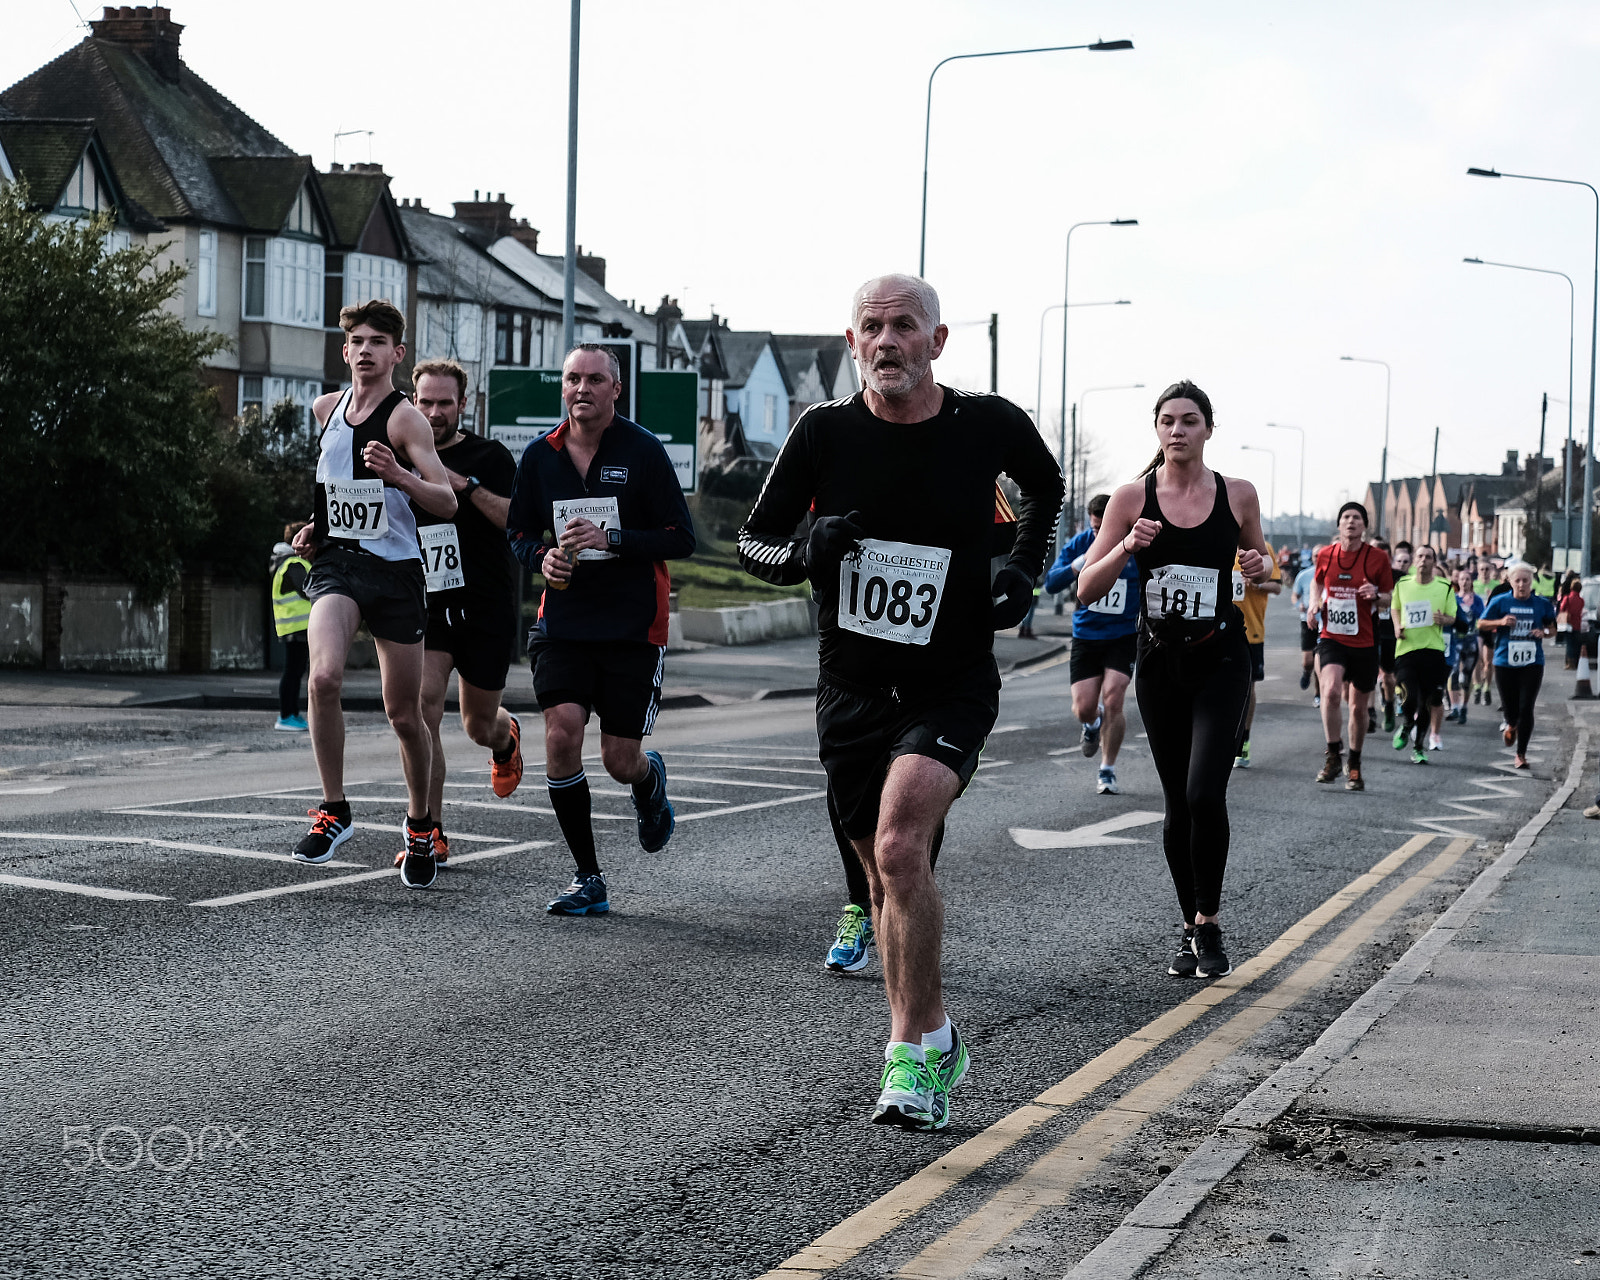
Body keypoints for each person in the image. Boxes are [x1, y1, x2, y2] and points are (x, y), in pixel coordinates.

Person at [737, 273, 1063, 1131]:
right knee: (884, 878)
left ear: (937, 340)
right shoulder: (822, 432)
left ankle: (906, 1056)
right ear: (852, 343)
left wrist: (1022, 569)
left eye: (904, 327)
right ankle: (937, 1033)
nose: (888, 342)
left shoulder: (988, 424)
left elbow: (1046, 492)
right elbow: (752, 543)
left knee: (899, 842)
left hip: (949, 680)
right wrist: (811, 545)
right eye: (871, 328)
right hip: (849, 688)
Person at [1078, 381, 1271, 981]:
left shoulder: (1237, 495)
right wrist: (1127, 547)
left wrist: (1264, 568)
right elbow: (1088, 586)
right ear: (1156, 430)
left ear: (1208, 429)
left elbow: (1263, 575)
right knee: (1175, 805)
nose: (1178, 430)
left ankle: (1209, 922)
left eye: (1190, 420)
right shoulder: (1132, 499)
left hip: (1221, 657)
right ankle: (1188, 925)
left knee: (1203, 795)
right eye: (1168, 421)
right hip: (1160, 662)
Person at [506, 344, 695, 916]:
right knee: (561, 735)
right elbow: (517, 534)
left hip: (632, 628)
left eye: (594, 379)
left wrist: (612, 539)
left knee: (618, 759)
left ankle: (647, 779)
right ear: (562, 388)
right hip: (563, 624)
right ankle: (588, 876)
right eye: (572, 379)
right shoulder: (540, 457)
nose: (581, 388)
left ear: (616, 389)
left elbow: (680, 537)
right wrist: (541, 557)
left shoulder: (643, 452)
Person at [289, 300, 457, 888]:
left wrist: (400, 476)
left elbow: (446, 501)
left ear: (397, 354)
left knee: (404, 715)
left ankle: (419, 823)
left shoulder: (405, 419)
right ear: (344, 350)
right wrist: (317, 529)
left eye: (378, 342)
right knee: (324, 678)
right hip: (340, 565)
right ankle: (334, 809)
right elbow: (332, 490)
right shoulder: (325, 410)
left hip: (396, 574)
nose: (366, 350)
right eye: (357, 341)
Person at [398, 359, 524, 871]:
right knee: (422, 709)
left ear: (463, 405)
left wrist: (460, 483)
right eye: (424, 402)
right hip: (428, 605)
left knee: (476, 725)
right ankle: (430, 829)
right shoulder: (398, 456)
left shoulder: (489, 456)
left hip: (486, 608)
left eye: (443, 403)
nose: (433, 413)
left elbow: (515, 519)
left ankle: (506, 736)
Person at [1044, 492, 1140, 794]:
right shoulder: (1082, 543)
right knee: (1085, 707)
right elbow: (1051, 583)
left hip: (1123, 634)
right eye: (1095, 527)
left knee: (1114, 697)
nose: (1099, 533)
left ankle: (1107, 768)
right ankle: (1092, 722)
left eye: (1104, 527)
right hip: (1087, 634)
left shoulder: (1135, 544)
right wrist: (1079, 564)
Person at [1304, 503, 1393, 791]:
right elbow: (1317, 583)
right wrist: (1313, 605)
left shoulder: (1378, 557)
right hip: (1333, 637)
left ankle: (1354, 763)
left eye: (1356, 518)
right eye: (1346, 517)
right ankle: (1333, 753)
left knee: (1358, 709)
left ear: (1364, 526)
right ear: (1339, 525)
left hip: (1365, 641)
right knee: (1330, 691)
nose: (1351, 522)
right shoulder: (1326, 555)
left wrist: (1376, 594)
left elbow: (1390, 598)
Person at [1479, 562, 1558, 769]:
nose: (1522, 585)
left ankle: (1521, 754)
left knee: (1526, 707)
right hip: (1505, 661)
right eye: (1518, 581)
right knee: (1510, 708)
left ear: (1532, 583)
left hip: (1532, 662)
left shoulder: (1542, 604)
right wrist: (1501, 622)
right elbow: (1481, 623)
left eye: (1526, 581)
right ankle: (1511, 724)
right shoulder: (1500, 601)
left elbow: (1553, 629)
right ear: (1511, 582)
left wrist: (1544, 633)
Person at [1390, 544, 1456, 763]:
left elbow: (1452, 617)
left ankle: (1418, 747)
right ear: (1414, 560)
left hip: (1433, 651)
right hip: (1407, 650)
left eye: (1428, 557)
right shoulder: (1403, 584)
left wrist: (1443, 620)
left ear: (1434, 562)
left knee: (1427, 702)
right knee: (1408, 696)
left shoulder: (1445, 586)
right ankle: (1408, 722)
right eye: (1420, 556)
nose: (1423, 560)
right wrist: (1397, 625)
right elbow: (1394, 608)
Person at [1232, 538, 1282, 767]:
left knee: (1246, 688)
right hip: (1215, 629)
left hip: (1250, 630)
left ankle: (1244, 740)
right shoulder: (1212, 538)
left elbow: (1277, 586)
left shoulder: (1261, 547)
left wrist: (1257, 583)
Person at [269, 523, 311, 732]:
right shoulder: (294, 564)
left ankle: (291, 714)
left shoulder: (284, 563)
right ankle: (286, 716)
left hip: (293, 627)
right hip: (298, 627)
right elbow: (308, 589)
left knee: (294, 672)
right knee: (293, 673)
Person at [1375, 539, 1410, 734]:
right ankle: (1370, 710)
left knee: (1390, 677)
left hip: (1393, 632)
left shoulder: (1401, 578)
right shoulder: (1367, 575)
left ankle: (1389, 705)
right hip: (1369, 631)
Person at [1446, 568, 1483, 725]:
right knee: (1453, 673)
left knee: (1465, 678)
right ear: (1457, 581)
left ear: (1471, 581)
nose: (1464, 582)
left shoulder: (1477, 600)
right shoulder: (1453, 599)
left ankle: (1464, 707)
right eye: (1462, 579)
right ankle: (1454, 707)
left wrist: (1480, 642)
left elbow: (1482, 621)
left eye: (1467, 579)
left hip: (1470, 642)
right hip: (1455, 641)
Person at [1292, 550, 1319, 699]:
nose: (1318, 558)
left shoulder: (1332, 572)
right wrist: (1298, 604)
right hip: (1307, 621)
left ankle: (1318, 694)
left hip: (1326, 622)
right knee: (1308, 661)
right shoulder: (1304, 575)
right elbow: (1295, 595)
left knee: (1321, 663)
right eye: (1316, 556)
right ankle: (1306, 672)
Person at [1559, 577, 1586, 670]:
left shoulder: (1567, 598)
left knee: (1569, 644)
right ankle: (1576, 662)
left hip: (1568, 623)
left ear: (1571, 587)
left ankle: (1570, 663)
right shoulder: (1581, 600)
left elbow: (1562, 608)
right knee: (1576, 644)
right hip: (1577, 624)